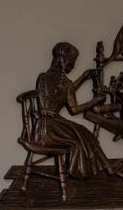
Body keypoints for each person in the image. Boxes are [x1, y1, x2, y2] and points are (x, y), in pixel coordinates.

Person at [31, 42, 111, 179]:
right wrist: (94, 102)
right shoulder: (66, 84)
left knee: (83, 133)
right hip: (51, 128)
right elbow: (73, 109)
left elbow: (63, 92)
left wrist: (84, 77)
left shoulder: (43, 77)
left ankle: (108, 168)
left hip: (41, 125)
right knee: (84, 134)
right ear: (64, 60)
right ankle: (97, 169)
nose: (73, 66)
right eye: (72, 62)